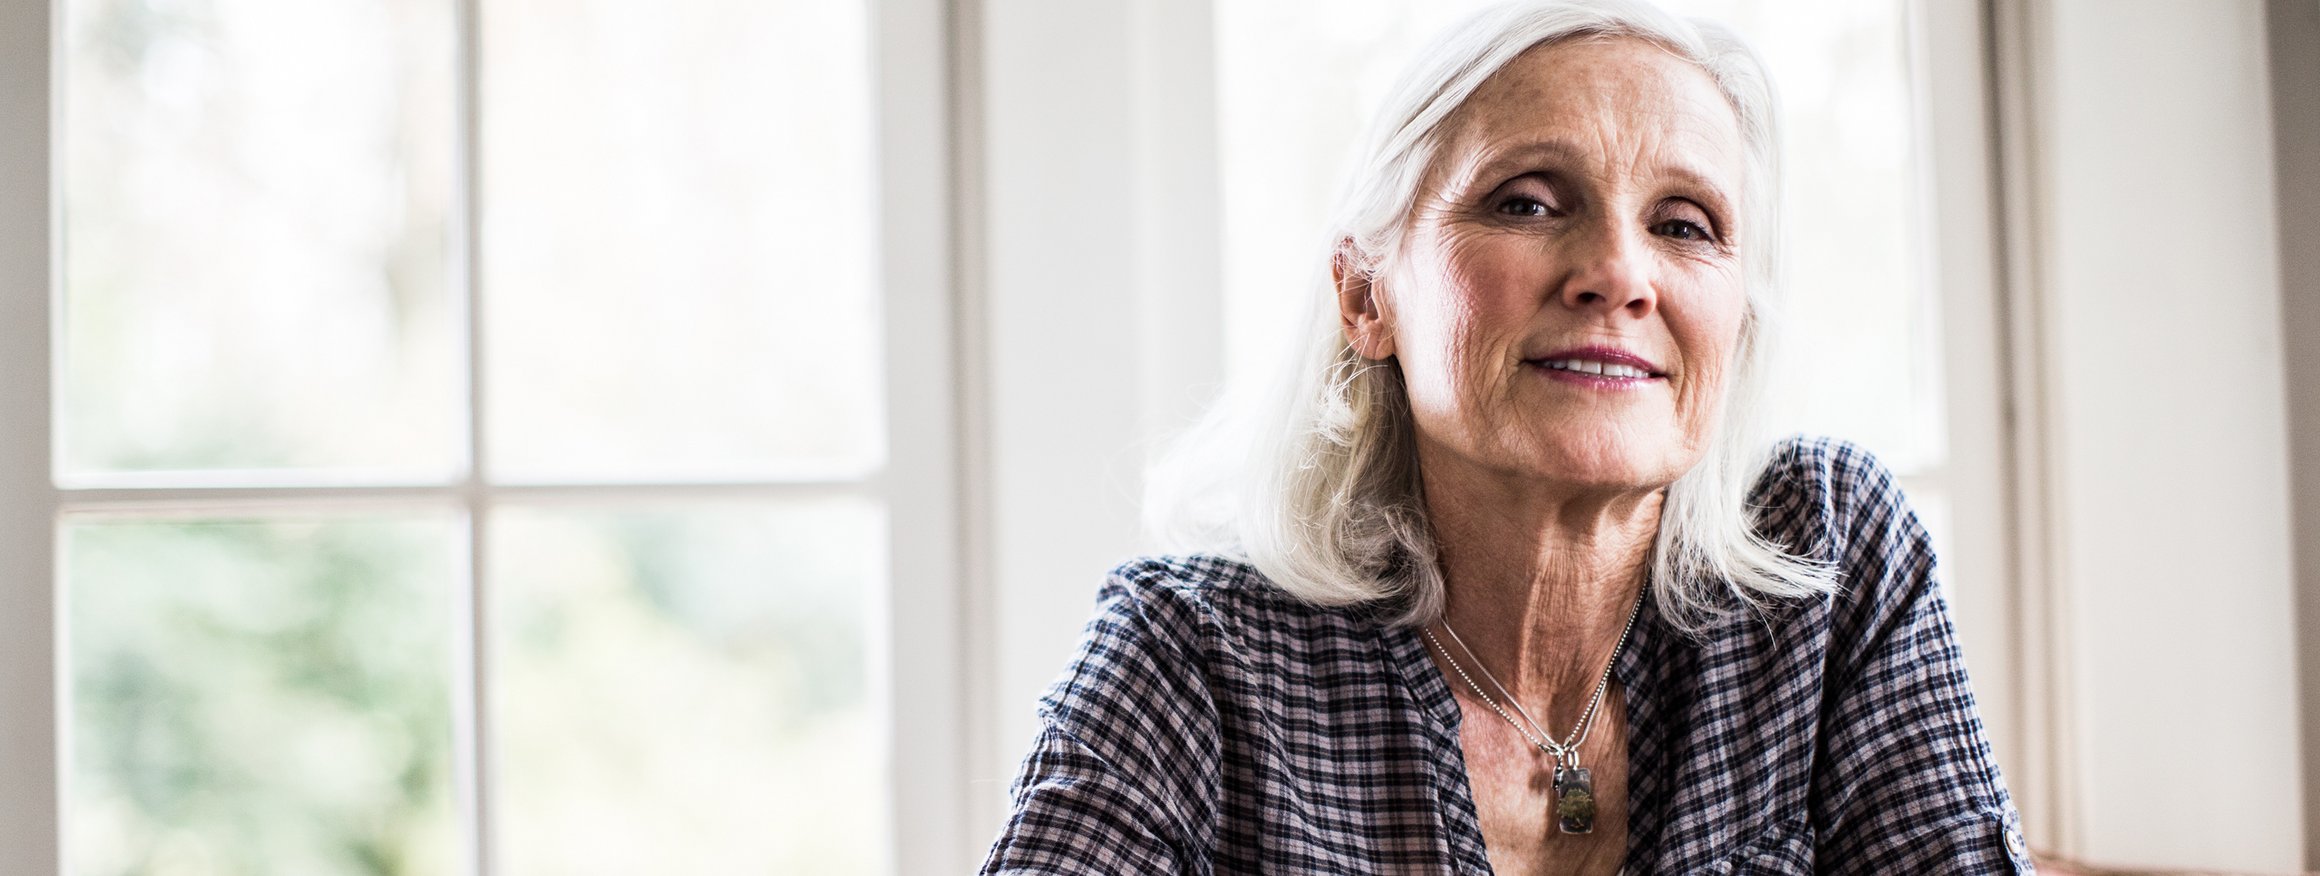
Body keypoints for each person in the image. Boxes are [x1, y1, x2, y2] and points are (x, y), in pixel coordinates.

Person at [978, 0, 2032, 873]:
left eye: (1683, 224)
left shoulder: (1830, 558)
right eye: (1527, 203)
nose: (1619, 273)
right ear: (1364, 296)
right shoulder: (1188, 654)